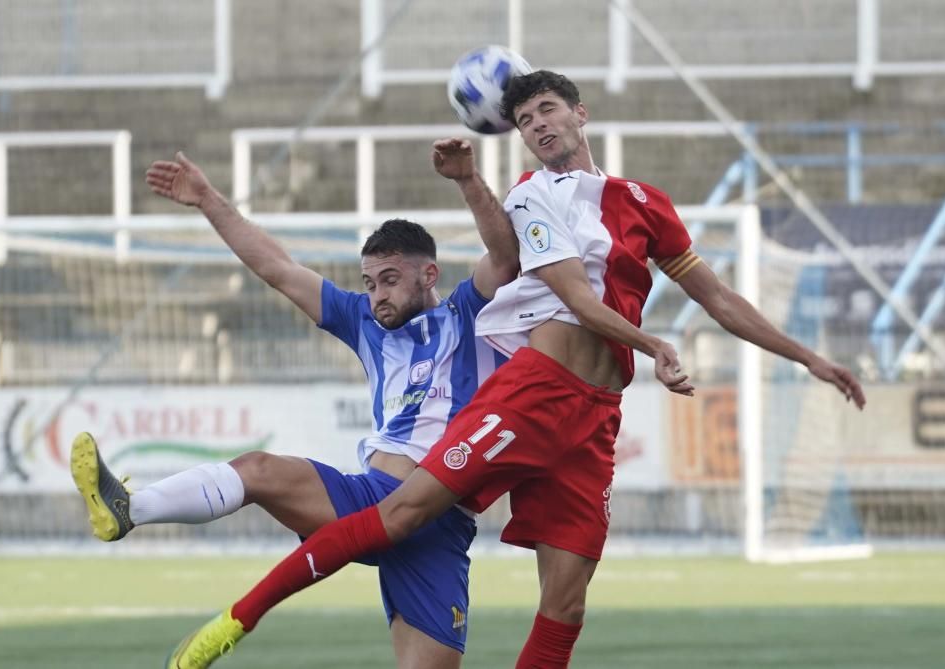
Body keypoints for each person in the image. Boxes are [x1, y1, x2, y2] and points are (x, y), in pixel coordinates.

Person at [165, 70, 865, 669]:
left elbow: (716, 297)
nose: (537, 125)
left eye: (547, 111)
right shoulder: (532, 195)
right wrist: (653, 346)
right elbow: (573, 294)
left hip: (595, 417)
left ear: (580, 114)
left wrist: (809, 357)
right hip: (533, 391)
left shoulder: (647, 204)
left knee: (565, 600)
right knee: (401, 511)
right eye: (525, 119)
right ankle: (236, 620)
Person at [72, 139, 525, 668]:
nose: (377, 294)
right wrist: (208, 199)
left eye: (390, 280)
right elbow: (279, 269)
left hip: (442, 525)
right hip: (376, 498)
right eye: (369, 282)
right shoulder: (362, 322)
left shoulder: (466, 314)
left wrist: (468, 180)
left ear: (429, 275)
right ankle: (132, 509)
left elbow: (505, 256)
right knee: (260, 470)